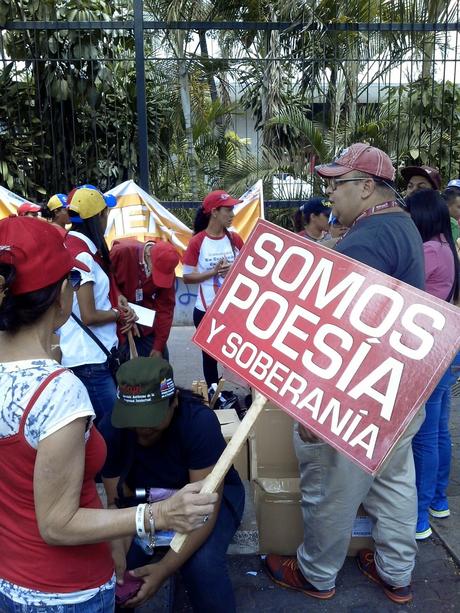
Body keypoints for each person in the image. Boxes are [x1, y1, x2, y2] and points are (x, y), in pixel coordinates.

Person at [0, 216, 218, 612]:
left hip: (12, 578)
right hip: (65, 590)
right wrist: (156, 515)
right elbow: (57, 524)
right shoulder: (58, 392)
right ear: (61, 293)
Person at [265, 143, 426, 604]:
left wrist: (315, 405)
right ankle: (397, 573)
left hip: (358, 390)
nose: (329, 193)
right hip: (399, 387)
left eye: (337, 184)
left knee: (333, 484)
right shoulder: (402, 226)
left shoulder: (367, 239)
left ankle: (316, 574)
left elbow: (342, 330)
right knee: (394, 480)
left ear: (367, 186)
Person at [102, 356, 245, 612]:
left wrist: (163, 570)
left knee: (202, 566)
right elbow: (117, 504)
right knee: (116, 573)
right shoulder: (113, 430)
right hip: (144, 502)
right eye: (134, 420)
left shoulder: (198, 424)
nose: (143, 428)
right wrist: (117, 554)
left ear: (174, 401)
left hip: (210, 501)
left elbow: (204, 511)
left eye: (152, 420)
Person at [58, 185, 137, 437]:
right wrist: (118, 313)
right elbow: (89, 315)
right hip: (89, 360)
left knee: (102, 432)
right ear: (98, 217)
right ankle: (110, 477)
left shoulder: (74, 248)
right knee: (115, 430)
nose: (107, 219)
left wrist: (117, 306)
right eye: (105, 213)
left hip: (92, 357)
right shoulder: (82, 257)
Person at [406, 189, 459, 540]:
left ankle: (419, 517)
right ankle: (438, 500)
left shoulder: (427, 251)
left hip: (430, 348)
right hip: (448, 346)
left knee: (424, 435)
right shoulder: (446, 248)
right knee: (439, 429)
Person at [183, 190, 244, 395]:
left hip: (232, 310)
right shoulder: (198, 241)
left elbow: (247, 270)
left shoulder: (235, 239)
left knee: (237, 355)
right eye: (228, 209)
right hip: (206, 311)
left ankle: (245, 395)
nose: (232, 214)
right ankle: (215, 395)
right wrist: (213, 272)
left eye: (233, 209)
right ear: (214, 212)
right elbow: (187, 277)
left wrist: (233, 270)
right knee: (210, 358)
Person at [111, 238, 179, 359]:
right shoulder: (122, 252)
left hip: (145, 323)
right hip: (117, 322)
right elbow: (104, 283)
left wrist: (158, 346)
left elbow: (165, 308)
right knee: (124, 369)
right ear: (148, 255)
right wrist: (119, 305)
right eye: (157, 272)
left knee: (160, 366)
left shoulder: (167, 266)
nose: (157, 276)